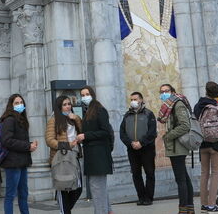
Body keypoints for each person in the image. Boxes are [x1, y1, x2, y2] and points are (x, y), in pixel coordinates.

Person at [193, 82, 218, 214]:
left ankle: (203, 204)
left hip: (202, 143)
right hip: (216, 144)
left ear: (206, 91)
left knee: (204, 173)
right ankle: (212, 205)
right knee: (215, 174)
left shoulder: (198, 106)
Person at [157, 84, 194, 214]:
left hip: (178, 145)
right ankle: (189, 208)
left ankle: (183, 208)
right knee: (183, 177)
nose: (164, 93)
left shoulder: (177, 104)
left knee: (181, 179)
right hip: (174, 146)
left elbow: (185, 125)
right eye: (162, 92)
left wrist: (168, 136)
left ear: (173, 92)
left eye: (167, 91)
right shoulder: (170, 106)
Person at [76, 86, 114, 214]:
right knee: (99, 187)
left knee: (97, 188)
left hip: (99, 155)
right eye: (82, 95)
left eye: (87, 94)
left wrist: (85, 136)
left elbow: (105, 132)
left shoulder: (99, 110)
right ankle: (108, 211)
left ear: (92, 94)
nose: (84, 97)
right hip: (93, 155)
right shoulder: (89, 111)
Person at [0, 94, 37, 214]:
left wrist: (30, 145)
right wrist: (27, 146)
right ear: (11, 105)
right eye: (16, 103)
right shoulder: (9, 119)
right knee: (10, 194)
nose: (20, 105)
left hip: (21, 161)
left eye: (21, 102)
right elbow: (6, 141)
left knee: (23, 193)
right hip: (12, 162)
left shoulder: (20, 119)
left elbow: (17, 139)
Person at [45, 95, 83, 214]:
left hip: (74, 157)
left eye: (69, 104)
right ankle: (65, 211)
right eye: (64, 105)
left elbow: (82, 131)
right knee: (62, 186)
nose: (67, 107)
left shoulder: (73, 119)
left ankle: (66, 210)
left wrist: (76, 118)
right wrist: (66, 145)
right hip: (60, 158)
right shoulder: (53, 120)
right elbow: (49, 140)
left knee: (78, 188)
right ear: (59, 107)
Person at [119, 91, 157, 206]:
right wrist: (131, 144)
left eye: (135, 99)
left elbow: (152, 133)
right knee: (136, 174)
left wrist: (141, 143)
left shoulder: (149, 114)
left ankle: (149, 198)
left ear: (141, 100)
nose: (133, 102)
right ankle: (141, 197)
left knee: (149, 173)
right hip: (132, 149)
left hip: (147, 149)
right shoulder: (127, 115)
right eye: (131, 100)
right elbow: (122, 133)